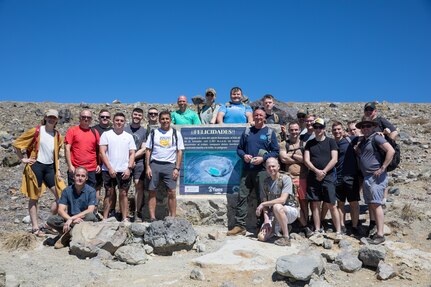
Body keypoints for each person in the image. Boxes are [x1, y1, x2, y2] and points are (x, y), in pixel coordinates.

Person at [227, 108, 279, 236]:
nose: (258, 117)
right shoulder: (247, 131)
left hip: (262, 171)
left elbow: (276, 151)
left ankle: (262, 225)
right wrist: (244, 156)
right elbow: (239, 149)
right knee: (242, 196)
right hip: (247, 170)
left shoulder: (269, 132)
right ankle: (240, 226)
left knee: (262, 198)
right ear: (253, 117)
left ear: (264, 117)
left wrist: (263, 158)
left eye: (261, 115)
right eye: (256, 115)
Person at [13, 109, 65, 237]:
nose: (51, 119)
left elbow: (57, 154)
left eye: (54, 118)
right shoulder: (36, 130)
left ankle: (48, 224)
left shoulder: (57, 135)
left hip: (50, 168)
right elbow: (16, 144)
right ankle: (35, 228)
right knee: (34, 197)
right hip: (36, 165)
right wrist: (23, 159)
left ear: (57, 120)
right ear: (45, 118)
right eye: (49, 117)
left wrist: (58, 170)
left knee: (62, 195)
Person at [355, 117, 394, 244]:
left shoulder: (377, 138)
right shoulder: (365, 141)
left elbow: (391, 150)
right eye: (363, 126)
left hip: (376, 176)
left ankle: (380, 234)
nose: (365, 128)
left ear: (373, 127)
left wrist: (383, 167)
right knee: (371, 204)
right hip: (367, 177)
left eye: (368, 126)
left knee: (376, 205)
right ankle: (375, 232)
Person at [303, 118, 342, 237]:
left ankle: (338, 231)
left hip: (328, 176)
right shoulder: (309, 143)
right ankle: (317, 229)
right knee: (315, 204)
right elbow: (306, 160)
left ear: (324, 128)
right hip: (313, 176)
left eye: (320, 127)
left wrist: (323, 172)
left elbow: (334, 159)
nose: (318, 129)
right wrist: (316, 171)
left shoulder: (331, 142)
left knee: (331, 204)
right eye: (316, 127)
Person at [145, 111, 185, 220]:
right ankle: (152, 218)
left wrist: (177, 168)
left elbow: (179, 151)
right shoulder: (154, 133)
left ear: (170, 120)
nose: (165, 121)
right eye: (162, 119)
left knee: (172, 192)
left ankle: (172, 217)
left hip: (170, 165)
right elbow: (148, 150)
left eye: (167, 119)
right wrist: (148, 166)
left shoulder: (176, 134)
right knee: (152, 191)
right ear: (159, 120)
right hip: (155, 164)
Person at [46, 166, 97, 249]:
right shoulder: (66, 191)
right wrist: (71, 219)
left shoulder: (91, 191)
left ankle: (67, 234)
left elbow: (90, 210)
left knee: (91, 216)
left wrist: (72, 219)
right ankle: (70, 233)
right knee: (51, 219)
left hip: (83, 219)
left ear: (86, 178)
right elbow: (61, 210)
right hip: (71, 219)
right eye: (77, 175)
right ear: (73, 177)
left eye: (83, 176)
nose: (80, 178)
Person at [100, 112, 136, 222]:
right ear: (113, 121)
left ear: (124, 122)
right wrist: (110, 168)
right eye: (117, 120)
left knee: (123, 193)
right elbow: (102, 152)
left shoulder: (128, 136)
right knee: (109, 193)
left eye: (121, 121)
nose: (119, 122)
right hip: (108, 170)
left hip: (124, 170)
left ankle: (124, 217)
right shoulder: (106, 135)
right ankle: (105, 218)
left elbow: (132, 153)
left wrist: (129, 168)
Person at [256, 157, 299, 246]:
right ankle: (279, 228)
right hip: (273, 214)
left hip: (289, 210)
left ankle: (286, 237)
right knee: (261, 237)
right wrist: (266, 220)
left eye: (273, 166)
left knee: (277, 206)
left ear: (278, 166)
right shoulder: (266, 182)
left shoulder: (285, 178)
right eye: (269, 167)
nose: (271, 169)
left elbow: (282, 200)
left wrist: (263, 203)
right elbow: (265, 206)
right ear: (266, 168)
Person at [331, 121, 361, 235]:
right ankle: (342, 226)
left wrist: (380, 134)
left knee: (354, 203)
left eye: (339, 129)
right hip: (337, 177)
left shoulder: (350, 140)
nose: (337, 131)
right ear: (332, 132)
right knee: (340, 203)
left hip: (351, 176)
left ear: (343, 130)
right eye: (335, 130)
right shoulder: (332, 143)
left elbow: (363, 137)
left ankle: (354, 226)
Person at [279, 121, 308, 232]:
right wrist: (299, 158)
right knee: (293, 202)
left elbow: (306, 160)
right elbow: (283, 159)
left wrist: (291, 154)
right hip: (289, 178)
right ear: (288, 130)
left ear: (299, 130)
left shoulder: (304, 144)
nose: (294, 132)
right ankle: (298, 224)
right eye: (291, 130)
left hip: (303, 177)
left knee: (304, 202)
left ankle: (306, 223)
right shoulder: (283, 144)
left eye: (296, 130)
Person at [65, 110, 100, 188]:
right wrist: (70, 165)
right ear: (79, 118)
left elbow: (99, 150)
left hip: (91, 169)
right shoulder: (72, 130)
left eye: (88, 117)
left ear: (91, 119)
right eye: (84, 117)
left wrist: (99, 164)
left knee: (90, 193)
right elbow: (67, 148)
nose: (86, 119)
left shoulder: (94, 132)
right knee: (74, 194)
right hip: (76, 168)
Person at [124, 108, 147, 221]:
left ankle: (137, 212)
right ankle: (125, 214)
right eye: (135, 114)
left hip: (138, 161)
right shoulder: (124, 129)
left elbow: (143, 148)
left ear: (142, 117)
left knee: (139, 185)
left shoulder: (143, 131)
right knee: (124, 188)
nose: (137, 116)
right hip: (124, 161)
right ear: (132, 115)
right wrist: (128, 160)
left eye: (139, 115)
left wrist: (132, 159)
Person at [92, 109, 112, 202]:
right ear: (98, 118)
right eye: (102, 116)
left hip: (110, 163)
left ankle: (110, 211)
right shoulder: (93, 129)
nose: (105, 118)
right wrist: (97, 163)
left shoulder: (113, 130)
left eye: (107, 117)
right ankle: (95, 209)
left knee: (110, 188)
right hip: (97, 162)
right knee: (97, 187)